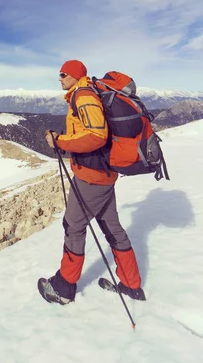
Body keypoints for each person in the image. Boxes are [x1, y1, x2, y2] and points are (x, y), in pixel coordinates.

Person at [38, 59, 145, 304]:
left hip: (91, 176)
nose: (60, 78)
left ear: (75, 75)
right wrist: (63, 138)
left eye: (64, 74)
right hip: (104, 174)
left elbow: (96, 135)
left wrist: (60, 143)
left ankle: (63, 288)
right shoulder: (85, 93)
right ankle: (131, 285)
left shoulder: (83, 96)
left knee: (73, 227)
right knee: (111, 228)